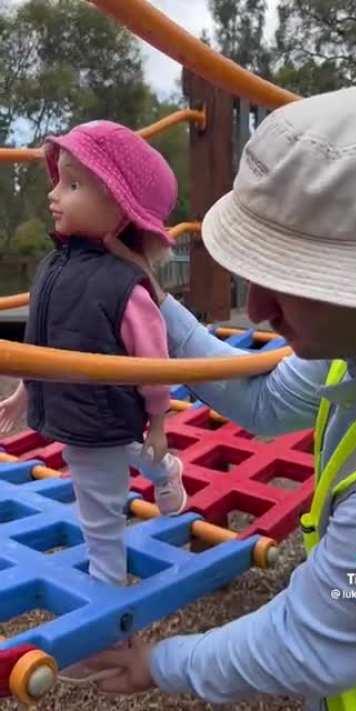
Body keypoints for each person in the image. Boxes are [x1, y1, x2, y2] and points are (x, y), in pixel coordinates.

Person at [87, 86, 356, 711]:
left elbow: (306, 643)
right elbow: (262, 397)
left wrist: (163, 661)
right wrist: (153, 295)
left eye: (296, 281)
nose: (255, 308)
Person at [0, 120, 188, 587]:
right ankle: (164, 468)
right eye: (59, 180)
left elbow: (153, 362)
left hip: (99, 414)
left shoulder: (126, 286)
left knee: (99, 513)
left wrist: (160, 420)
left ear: (120, 207)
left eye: (75, 183)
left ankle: (106, 596)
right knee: (117, 450)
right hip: (80, 410)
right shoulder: (52, 265)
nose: (54, 194)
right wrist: (26, 389)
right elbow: (43, 337)